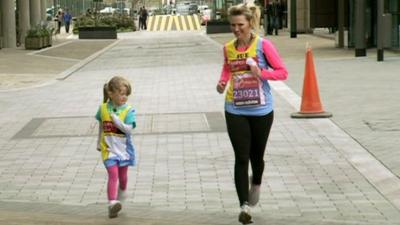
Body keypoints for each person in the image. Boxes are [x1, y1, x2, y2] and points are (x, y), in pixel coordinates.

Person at [216, 3, 288, 224]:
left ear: (250, 23)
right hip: (235, 108)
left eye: (240, 25)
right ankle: (244, 206)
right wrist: (222, 82)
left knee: (257, 158)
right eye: (232, 25)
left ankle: (256, 181)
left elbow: (283, 72)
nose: (236, 29)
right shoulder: (227, 47)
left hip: (261, 110)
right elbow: (228, 68)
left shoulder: (263, 45)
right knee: (241, 157)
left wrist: (261, 73)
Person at [95, 76, 137, 219]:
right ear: (111, 93)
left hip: (123, 151)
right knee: (113, 175)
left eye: (126, 94)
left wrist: (118, 122)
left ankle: (121, 192)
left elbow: (129, 130)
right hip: (108, 150)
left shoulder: (129, 110)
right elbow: (101, 126)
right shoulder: (102, 109)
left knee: (123, 178)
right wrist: (98, 142)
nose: (124, 97)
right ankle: (112, 203)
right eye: (121, 94)